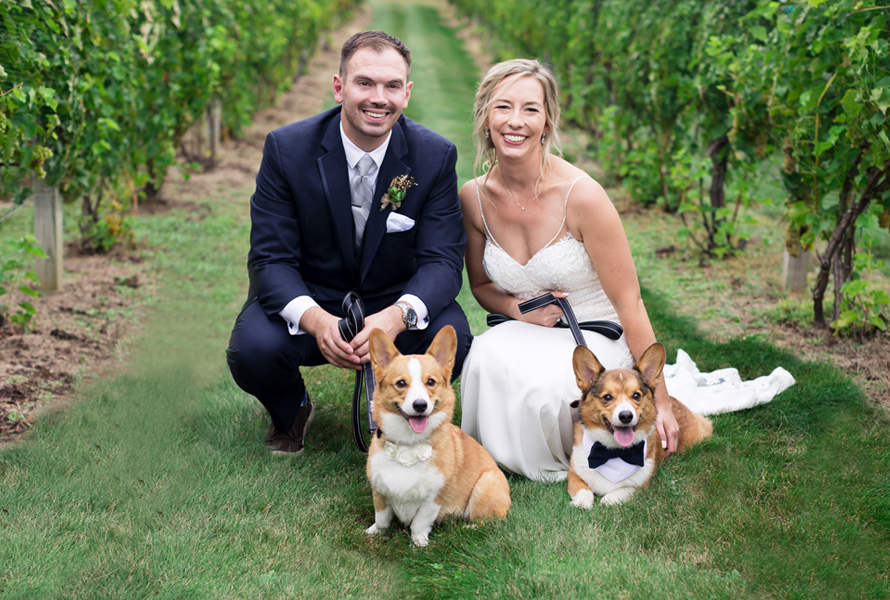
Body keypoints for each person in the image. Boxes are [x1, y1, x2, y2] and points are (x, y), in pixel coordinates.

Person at [227, 30, 472, 456]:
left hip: (393, 296)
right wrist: (317, 321)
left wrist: (396, 317)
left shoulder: (434, 157)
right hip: (314, 294)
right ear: (339, 87)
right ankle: (293, 409)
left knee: (457, 337)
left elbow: (443, 261)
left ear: (407, 93)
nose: (379, 97)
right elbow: (271, 259)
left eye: (392, 86)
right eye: (365, 83)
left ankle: (403, 419)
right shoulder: (287, 150)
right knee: (253, 350)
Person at [458, 59, 680, 482]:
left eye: (531, 109)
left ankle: (549, 464)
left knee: (544, 388)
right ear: (486, 117)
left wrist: (662, 402)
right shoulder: (474, 197)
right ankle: (495, 456)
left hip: (596, 336)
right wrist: (516, 309)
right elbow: (482, 286)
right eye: (503, 107)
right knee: (482, 357)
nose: (515, 122)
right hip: (530, 328)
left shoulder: (583, 196)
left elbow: (630, 303)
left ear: (547, 121)